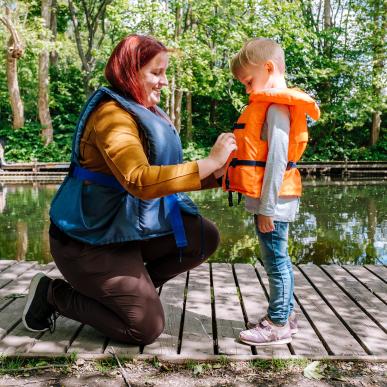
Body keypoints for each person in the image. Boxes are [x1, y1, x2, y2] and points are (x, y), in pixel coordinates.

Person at [22, 34, 236, 345]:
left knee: (202, 236)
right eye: (155, 72)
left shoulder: (144, 110)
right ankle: (53, 295)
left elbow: (163, 178)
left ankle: (124, 294)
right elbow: (140, 180)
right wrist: (209, 160)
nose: (164, 82)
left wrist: (220, 175)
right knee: (145, 328)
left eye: (165, 73)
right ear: (129, 73)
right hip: (87, 243)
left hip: (123, 230)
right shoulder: (112, 116)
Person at [223, 38, 320, 346]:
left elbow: (278, 159)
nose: (247, 90)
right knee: (277, 258)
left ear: (268, 68)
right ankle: (286, 316)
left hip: (274, 200)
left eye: (249, 82)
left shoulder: (277, 106)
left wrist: (266, 207)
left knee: (276, 260)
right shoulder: (269, 104)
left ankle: (278, 323)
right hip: (272, 199)